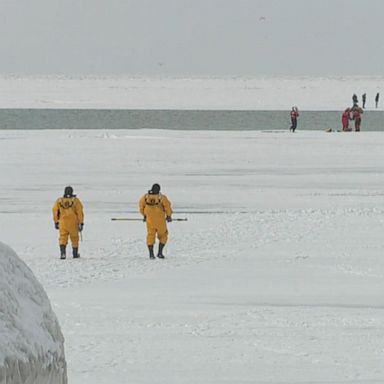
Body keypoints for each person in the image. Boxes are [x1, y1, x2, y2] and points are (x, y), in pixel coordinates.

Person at [139, 183, 172, 259]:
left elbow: (141, 206)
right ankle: (160, 253)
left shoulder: (145, 197)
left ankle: (151, 254)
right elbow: (168, 207)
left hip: (150, 221)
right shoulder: (162, 197)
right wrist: (169, 216)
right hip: (160, 221)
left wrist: (144, 215)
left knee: (150, 235)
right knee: (163, 235)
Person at [52, 186, 84, 259]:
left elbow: (55, 211)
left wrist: (56, 221)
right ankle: (75, 254)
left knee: (63, 237)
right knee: (74, 238)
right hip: (73, 223)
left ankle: (63, 253)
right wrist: (81, 223)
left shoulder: (59, 201)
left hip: (63, 222)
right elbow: (79, 212)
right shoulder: (75, 201)